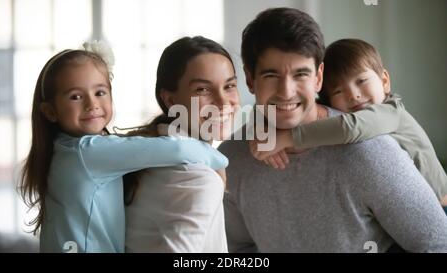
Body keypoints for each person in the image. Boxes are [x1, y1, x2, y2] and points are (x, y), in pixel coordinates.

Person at [219, 8, 447, 252]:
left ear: (318, 78)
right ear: (250, 79)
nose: (286, 92)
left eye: (301, 74)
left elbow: (437, 244)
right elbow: (239, 249)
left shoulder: (369, 149)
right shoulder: (231, 158)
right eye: (271, 75)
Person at [19, 41, 229, 253]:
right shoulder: (88, 152)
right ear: (50, 111)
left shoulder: (63, 150)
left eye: (100, 92)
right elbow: (177, 149)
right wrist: (217, 161)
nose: (91, 104)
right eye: (76, 96)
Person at [250, 38, 447, 207]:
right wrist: (262, 127)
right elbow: (295, 108)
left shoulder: (391, 112)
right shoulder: (332, 115)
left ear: (385, 81)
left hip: (439, 203)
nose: (353, 95)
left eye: (361, 81)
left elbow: (351, 127)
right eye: (338, 91)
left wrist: (287, 138)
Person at [124, 36, 240, 253]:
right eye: (202, 90)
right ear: (170, 100)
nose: (224, 102)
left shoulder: (151, 149)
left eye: (230, 85)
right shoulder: (198, 178)